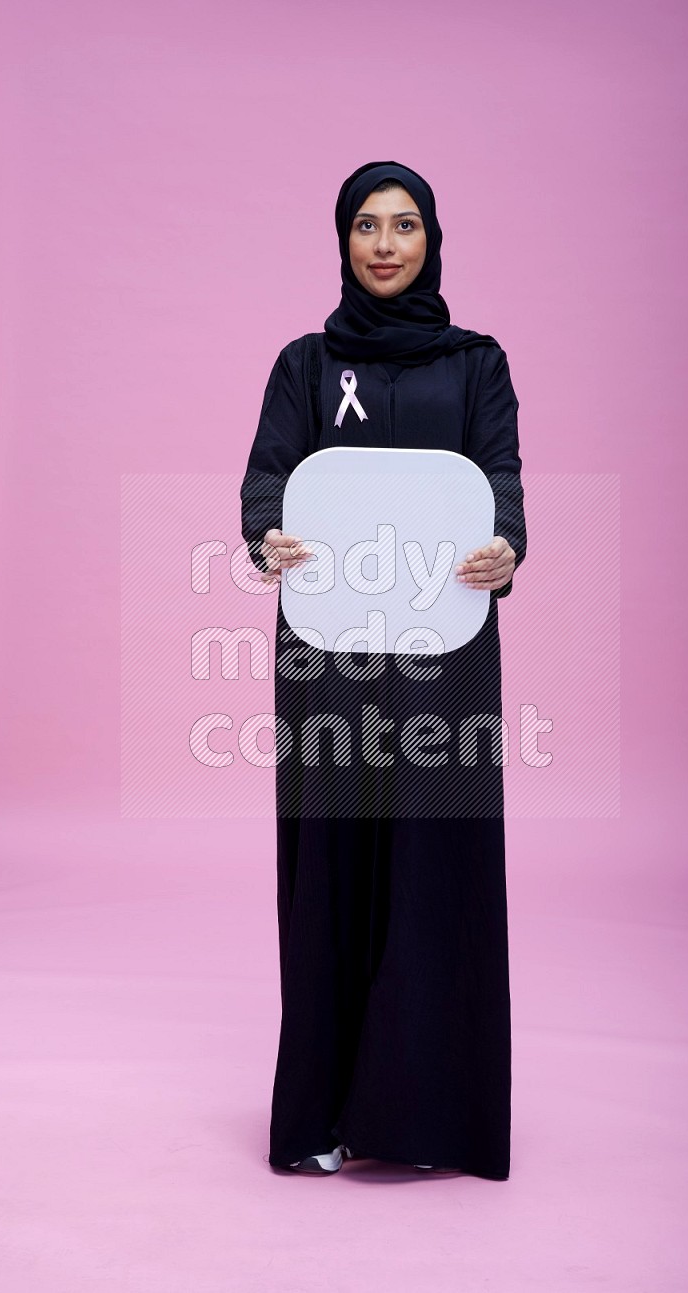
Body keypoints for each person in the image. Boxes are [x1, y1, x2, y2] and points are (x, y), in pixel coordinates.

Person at [240, 160, 527, 1180]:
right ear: (342, 241)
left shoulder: (477, 363)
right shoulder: (306, 366)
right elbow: (270, 476)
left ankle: (426, 1118)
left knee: (432, 865)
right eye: (366, 225)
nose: (385, 244)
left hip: (442, 658)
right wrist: (265, 533)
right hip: (329, 658)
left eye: (404, 225)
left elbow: (499, 475)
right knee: (332, 861)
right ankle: (320, 1114)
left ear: (430, 238)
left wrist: (503, 545)